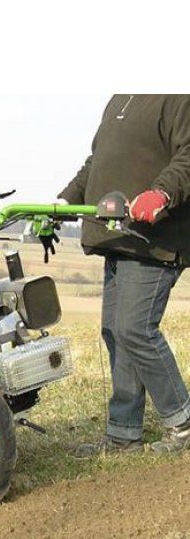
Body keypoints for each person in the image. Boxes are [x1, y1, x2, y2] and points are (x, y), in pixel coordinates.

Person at [58, 94, 190, 456]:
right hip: (117, 236)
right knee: (116, 332)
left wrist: (161, 192)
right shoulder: (120, 99)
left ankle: (183, 423)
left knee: (135, 329)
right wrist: (66, 200)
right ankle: (123, 434)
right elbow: (96, 163)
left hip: (152, 237)